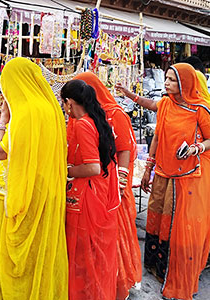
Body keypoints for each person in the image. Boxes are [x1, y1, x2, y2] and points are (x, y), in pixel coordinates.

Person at [0, 57, 68, 299]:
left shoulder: (23, 112)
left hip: (14, 194)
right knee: (37, 251)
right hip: (41, 189)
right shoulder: (49, 108)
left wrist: (2, 120)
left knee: (9, 259)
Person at [141, 63, 210, 300]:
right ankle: (157, 268)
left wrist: (195, 148)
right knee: (157, 218)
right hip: (163, 174)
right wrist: (149, 168)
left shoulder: (200, 110)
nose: (166, 83)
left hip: (186, 178)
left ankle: (176, 273)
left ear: (184, 83)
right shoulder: (166, 104)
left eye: (172, 80)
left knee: (178, 226)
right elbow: (155, 130)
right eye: (165, 78)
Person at [74, 72, 142, 299]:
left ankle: (116, 284)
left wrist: (120, 184)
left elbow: (125, 149)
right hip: (91, 188)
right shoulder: (83, 115)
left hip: (112, 188)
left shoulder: (115, 114)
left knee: (112, 238)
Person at [61, 79, 120, 300]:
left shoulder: (84, 124)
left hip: (85, 196)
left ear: (69, 102)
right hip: (89, 193)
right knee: (86, 254)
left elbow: (93, 167)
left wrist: (66, 170)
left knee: (81, 253)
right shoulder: (87, 120)